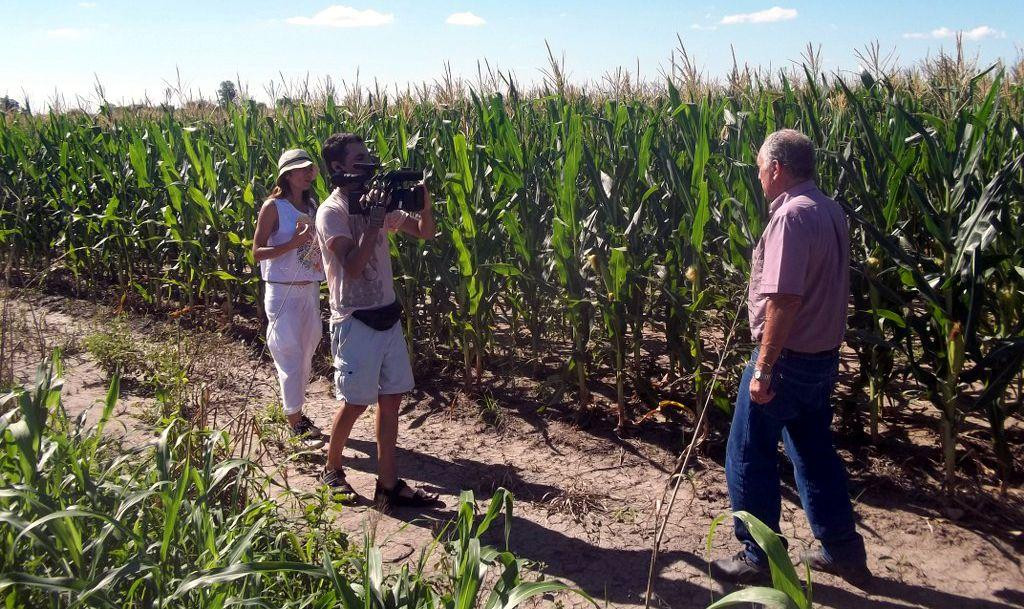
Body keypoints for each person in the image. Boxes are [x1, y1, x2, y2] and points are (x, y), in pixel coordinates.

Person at [711, 129, 870, 584]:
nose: (759, 178)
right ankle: (842, 547)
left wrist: (763, 367)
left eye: (760, 169)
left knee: (747, 452)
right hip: (822, 359)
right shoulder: (829, 209)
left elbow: (783, 299)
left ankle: (759, 556)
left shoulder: (790, 218)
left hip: (787, 361)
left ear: (776, 169)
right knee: (814, 452)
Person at [314, 132, 439, 511]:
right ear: (337, 168)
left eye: (369, 154)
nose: (369, 163)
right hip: (355, 320)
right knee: (354, 403)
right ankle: (332, 471)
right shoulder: (331, 212)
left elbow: (424, 232)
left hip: (387, 315)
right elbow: (351, 267)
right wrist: (373, 222)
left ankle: (387, 485)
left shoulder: (375, 202)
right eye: (359, 158)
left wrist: (424, 203)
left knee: (391, 402)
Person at [252, 148, 326, 449]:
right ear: (287, 174)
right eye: (301, 169)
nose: (308, 173)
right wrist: (293, 242)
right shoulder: (274, 207)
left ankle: (296, 410)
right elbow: (257, 252)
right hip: (282, 290)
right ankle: (294, 421)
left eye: (310, 168)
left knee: (308, 350)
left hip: (309, 288)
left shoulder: (312, 205)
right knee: (288, 353)